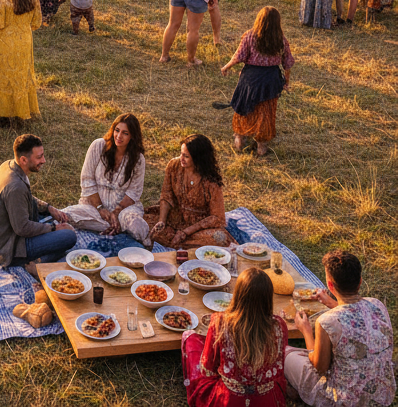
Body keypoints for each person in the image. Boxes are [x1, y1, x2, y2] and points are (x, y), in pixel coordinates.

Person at [285, 249, 395, 407]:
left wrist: (306, 331)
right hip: (380, 395)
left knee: (287, 354)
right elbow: (355, 315)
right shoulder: (377, 305)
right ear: (360, 281)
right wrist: (331, 302)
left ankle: (297, 389)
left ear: (330, 285)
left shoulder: (327, 321)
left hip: (344, 401)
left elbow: (319, 367)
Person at [181, 266, 289, 407]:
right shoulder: (279, 326)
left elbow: (208, 369)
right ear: (268, 297)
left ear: (238, 294)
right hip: (267, 400)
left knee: (190, 338)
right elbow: (279, 368)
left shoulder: (220, 322)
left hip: (228, 401)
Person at [0, 133, 77, 269]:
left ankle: (40, 257)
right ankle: (36, 264)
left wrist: (49, 208)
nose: (44, 161)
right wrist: (53, 228)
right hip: (8, 247)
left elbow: (25, 199)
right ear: (24, 160)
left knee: (50, 219)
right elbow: (22, 228)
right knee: (69, 236)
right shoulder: (15, 187)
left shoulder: (9, 165)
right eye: (39, 157)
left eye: (42, 155)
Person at [61, 114, 149, 243]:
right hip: (94, 207)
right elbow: (87, 181)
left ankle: (145, 244)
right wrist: (100, 208)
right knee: (67, 215)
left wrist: (116, 212)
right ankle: (112, 227)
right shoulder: (98, 146)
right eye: (117, 130)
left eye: (125, 133)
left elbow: (133, 192)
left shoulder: (138, 159)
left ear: (132, 137)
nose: (119, 136)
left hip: (123, 210)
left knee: (135, 224)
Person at [222, 6, 295, 156]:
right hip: (270, 80)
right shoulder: (281, 40)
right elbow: (287, 63)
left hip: (250, 78)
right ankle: (262, 145)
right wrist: (286, 81)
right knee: (265, 112)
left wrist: (226, 66)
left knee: (244, 106)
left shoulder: (249, 36)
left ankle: (240, 137)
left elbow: (239, 56)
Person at [143, 134, 231, 248]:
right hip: (173, 219)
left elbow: (217, 217)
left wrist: (186, 232)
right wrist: (161, 222)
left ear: (198, 159)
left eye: (186, 156)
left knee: (220, 238)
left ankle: (175, 242)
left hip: (197, 228)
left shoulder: (211, 182)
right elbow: (166, 195)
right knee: (141, 221)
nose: (181, 159)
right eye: (181, 154)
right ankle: (180, 243)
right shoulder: (173, 166)